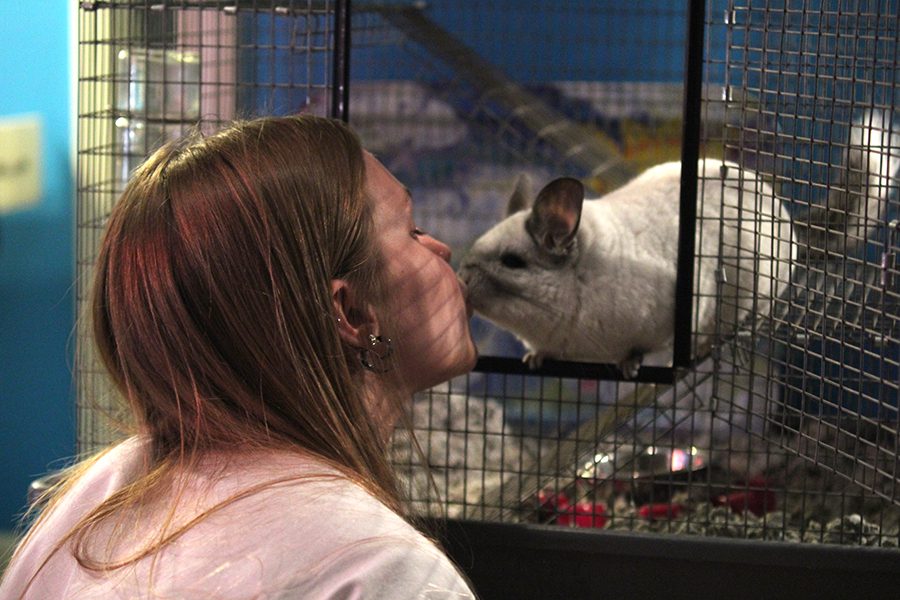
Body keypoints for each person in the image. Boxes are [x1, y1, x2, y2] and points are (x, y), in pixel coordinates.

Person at [0, 114, 478, 599]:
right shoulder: (384, 571)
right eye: (412, 231)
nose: (441, 248)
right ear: (351, 312)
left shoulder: (89, 500)